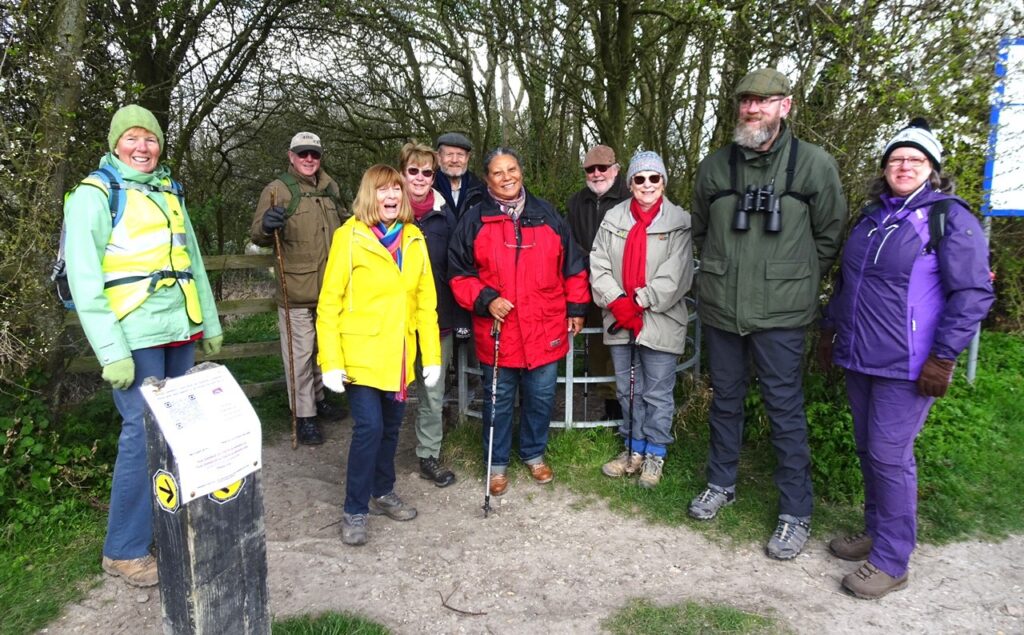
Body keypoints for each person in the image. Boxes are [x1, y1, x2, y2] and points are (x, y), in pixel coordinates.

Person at [819, 118, 993, 599]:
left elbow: (973, 294)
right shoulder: (872, 217)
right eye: (896, 158)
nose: (904, 165)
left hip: (909, 365)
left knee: (890, 457)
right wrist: (830, 329)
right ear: (884, 167)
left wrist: (943, 356)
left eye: (915, 159)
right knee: (868, 450)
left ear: (932, 169)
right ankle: (877, 531)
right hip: (859, 356)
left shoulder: (949, 218)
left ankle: (893, 560)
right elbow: (850, 284)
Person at [687, 68, 848, 560]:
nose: (753, 109)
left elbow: (829, 235)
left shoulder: (814, 165)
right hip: (722, 309)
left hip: (782, 314)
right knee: (726, 401)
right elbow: (698, 231)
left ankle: (795, 511)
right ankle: (721, 482)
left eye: (764, 101)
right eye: (746, 101)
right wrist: (719, 274)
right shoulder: (715, 167)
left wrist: (791, 278)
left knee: (784, 409)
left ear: (786, 106)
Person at [63, 105, 223, 587]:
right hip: (134, 335)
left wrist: (208, 324)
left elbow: (192, 259)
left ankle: (170, 524)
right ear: (116, 144)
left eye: (150, 139)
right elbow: (84, 279)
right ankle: (124, 549)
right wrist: (111, 351)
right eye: (132, 138)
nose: (142, 147)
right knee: (141, 436)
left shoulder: (169, 189)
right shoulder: (94, 195)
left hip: (179, 330)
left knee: (181, 432)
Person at [449, 147, 589, 497]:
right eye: (498, 172)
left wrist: (576, 308)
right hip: (499, 330)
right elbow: (458, 274)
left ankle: (533, 454)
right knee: (497, 400)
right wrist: (486, 299)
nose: (506, 177)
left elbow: (573, 265)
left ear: (521, 171)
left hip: (544, 326)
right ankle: (496, 465)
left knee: (541, 397)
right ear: (487, 179)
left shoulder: (548, 215)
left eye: (512, 169)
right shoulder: (474, 220)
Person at [316, 164, 441, 546]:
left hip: (400, 355)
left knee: (390, 429)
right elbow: (329, 303)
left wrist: (432, 356)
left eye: (397, 190)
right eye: (383, 190)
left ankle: (383, 490)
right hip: (360, 354)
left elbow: (425, 303)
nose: (391, 197)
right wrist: (330, 361)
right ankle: (355, 508)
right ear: (369, 195)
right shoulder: (348, 237)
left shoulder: (414, 238)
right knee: (368, 428)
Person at [590, 151, 692, 488]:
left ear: (663, 182)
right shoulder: (613, 218)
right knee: (626, 391)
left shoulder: (678, 222)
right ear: (630, 183)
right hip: (620, 319)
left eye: (654, 178)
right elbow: (599, 264)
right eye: (640, 178)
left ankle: (655, 454)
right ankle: (632, 450)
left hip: (659, 320)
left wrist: (640, 301)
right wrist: (619, 303)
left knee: (657, 393)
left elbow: (676, 275)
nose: (647, 184)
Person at [250, 132, 349, 445]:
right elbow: (257, 234)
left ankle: (319, 401)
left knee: (323, 352)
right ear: (291, 156)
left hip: (331, 291)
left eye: (314, 154)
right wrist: (268, 225)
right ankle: (304, 416)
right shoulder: (277, 190)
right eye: (303, 153)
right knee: (301, 355)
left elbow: (347, 226)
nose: (309, 159)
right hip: (296, 289)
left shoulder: (331, 188)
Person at [399, 141, 469, 487]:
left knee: (433, 391)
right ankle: (382, 454)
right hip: (394, 323)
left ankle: (428, 454)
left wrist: (458, 317)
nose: (421, 177)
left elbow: (455, 267)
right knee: (390, 389)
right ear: (402, 173)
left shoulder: (445, 215)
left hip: (436, 319)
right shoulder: (386, 211)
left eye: (428, 171)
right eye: (414, 170)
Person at [567, 144, 632, 421]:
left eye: (602, 168)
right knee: (597, 349)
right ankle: (609, 409)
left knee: (620, 348)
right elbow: (569, 241)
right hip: (588, 284)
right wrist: (588, 261)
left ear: (615, 169)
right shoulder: (576, 202)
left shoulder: (630, 198)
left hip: (622, 288)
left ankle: (625, 411)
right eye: (590, 170)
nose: (596, 174)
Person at [434, 132, 485, 219]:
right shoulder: (428, 188)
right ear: (439, 157)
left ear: (467, 158)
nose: (454, 160)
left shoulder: (480, 190)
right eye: (449, 154)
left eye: (460, 155)